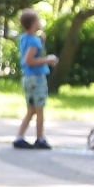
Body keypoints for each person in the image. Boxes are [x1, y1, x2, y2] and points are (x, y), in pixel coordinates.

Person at [13, 9, 58, 149]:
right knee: (39, 110)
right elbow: (29, 60)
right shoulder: (34, 41)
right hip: (37, 79)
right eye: (38, 20)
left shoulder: (24, 38)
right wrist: (48, 60)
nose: (40, 22)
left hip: (27, 78)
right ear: (33, 24)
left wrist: (41, 41)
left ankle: (19, 137)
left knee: (31, 110)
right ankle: (40, 139)